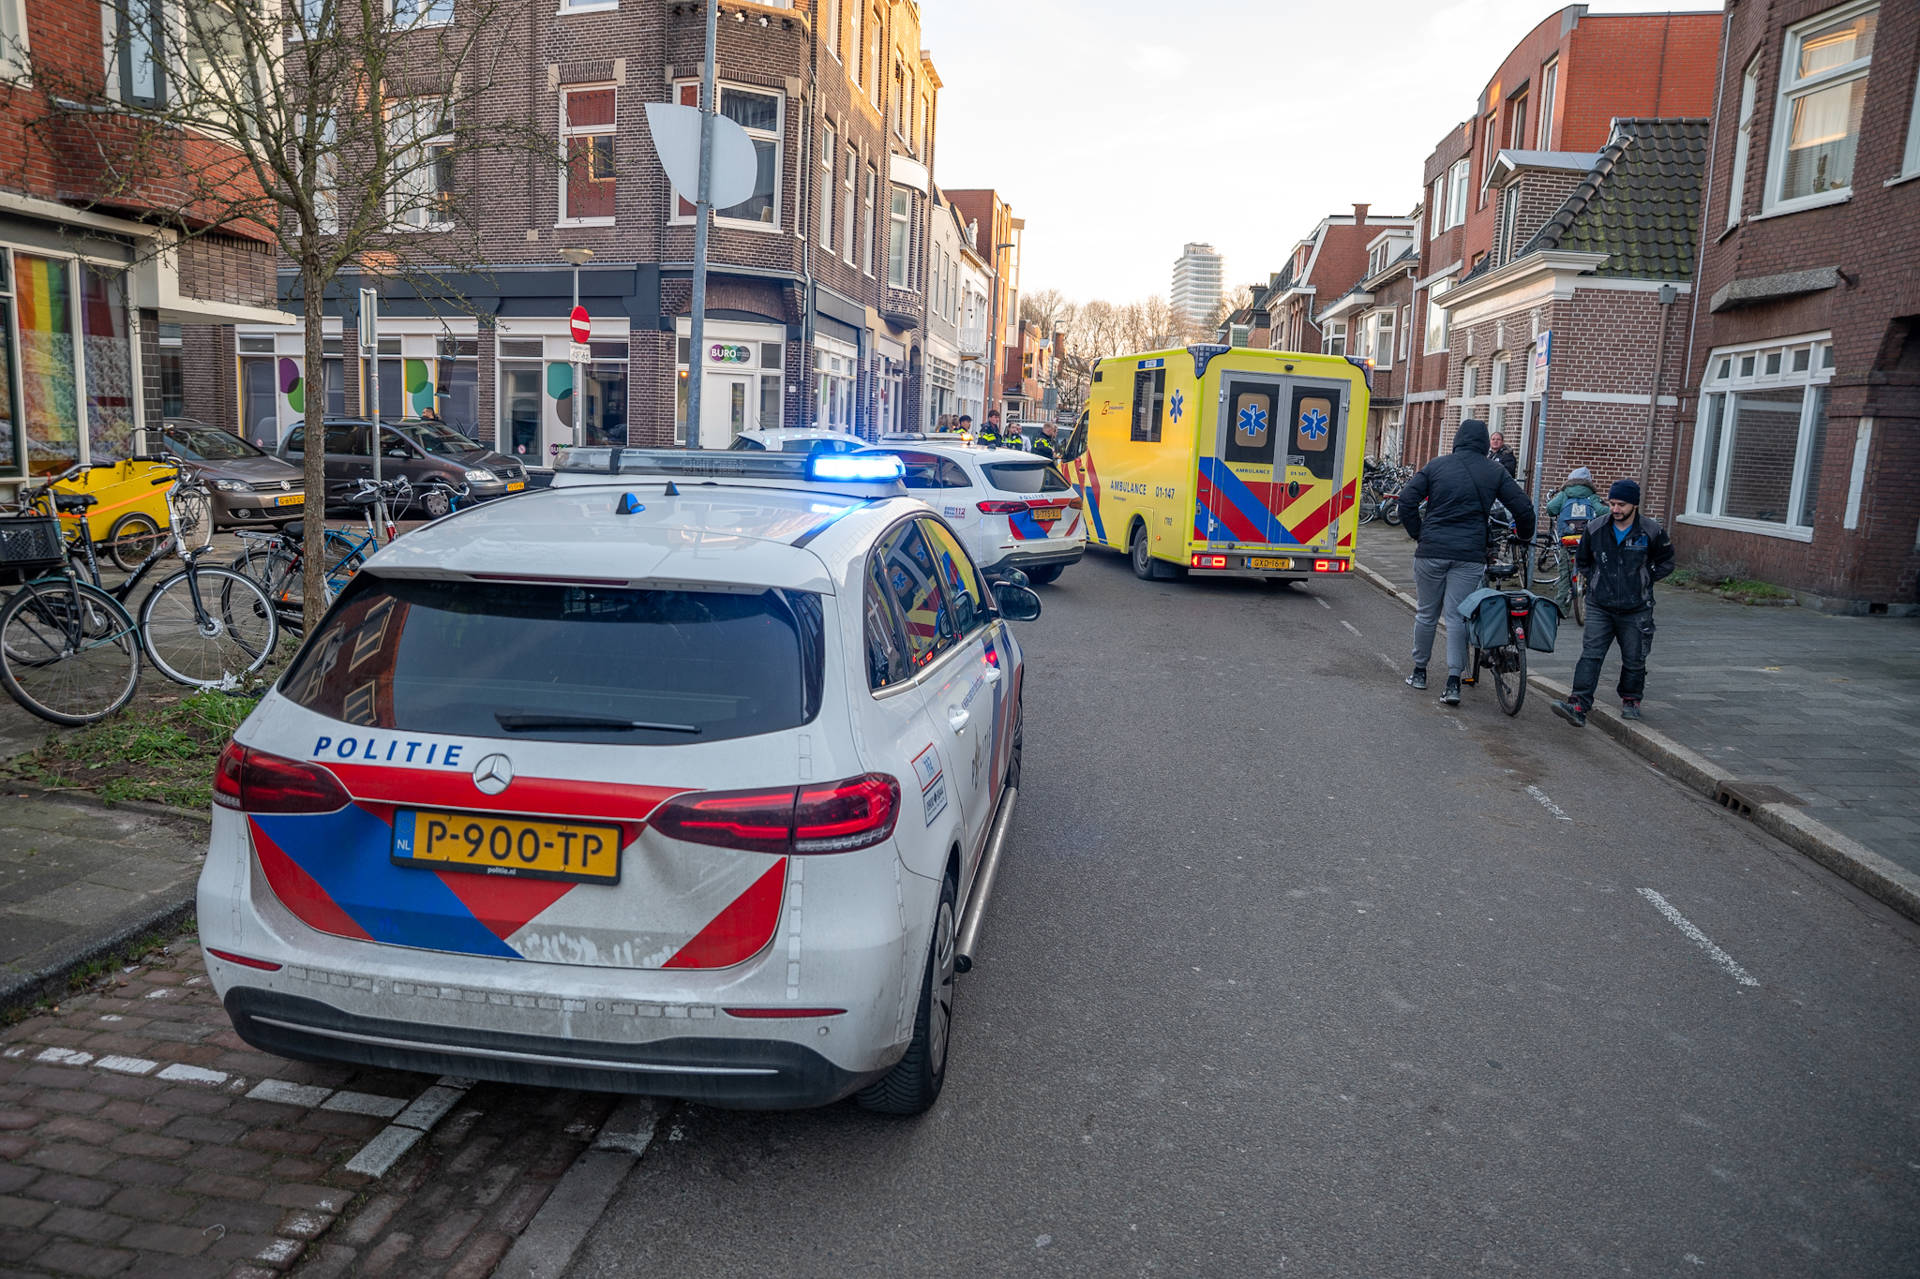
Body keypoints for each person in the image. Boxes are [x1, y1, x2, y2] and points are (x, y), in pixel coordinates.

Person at [1397, 418, 1536, 706]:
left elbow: (1406, 500)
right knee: (1458, 618)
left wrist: (1419, 533)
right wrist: (1523, 537)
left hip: (1432, 550)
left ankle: (1420, 672)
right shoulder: (1495, 471)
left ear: (1457, 440)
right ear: (1486, 444)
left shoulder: (1436, 466)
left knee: (1426, 613)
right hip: (1468, 555)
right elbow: (1523, 508)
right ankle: (1452, 683)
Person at [1550, 479, 1674, 727]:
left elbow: (1667, 562)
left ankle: (1631, 699)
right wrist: (1595, 580)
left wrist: (1645, 579)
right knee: (1591, 655)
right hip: (1600, 605)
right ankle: (1578, 704)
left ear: (1634, 505)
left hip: (1636, 607)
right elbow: (1583, 560)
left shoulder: (1651, 531)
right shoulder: (1596, 528)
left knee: (1634, 656)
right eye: (1612, 503)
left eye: (1621, 504)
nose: (1616, 509)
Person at [1544, 466, 1603, 539]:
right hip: (1586, 536)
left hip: (1566, 535)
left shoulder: (1564, 494)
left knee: (1563, 547)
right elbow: (1601, 511)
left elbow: (1551, 508)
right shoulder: (1591, 496)